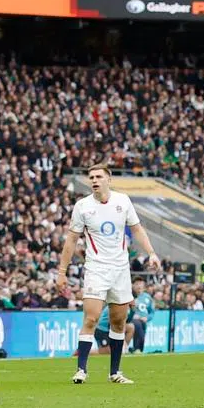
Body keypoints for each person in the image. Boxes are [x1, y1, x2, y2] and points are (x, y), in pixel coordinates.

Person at [57, 163, 161, 385]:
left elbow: (136, 229)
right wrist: (62, 272)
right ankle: (81, 370)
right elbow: (72, 240)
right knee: (92, 317)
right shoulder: (83, 206)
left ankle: (115, 373)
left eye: (98, 176)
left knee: (118, 321)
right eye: (91, 177)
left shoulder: (123, 201)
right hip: (96, 268)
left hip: (121, 270)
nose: (94, 180)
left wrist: (151, 253)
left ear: (108, 179)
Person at [130, 278, 155, 353]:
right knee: (137, 324)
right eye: (136, 284)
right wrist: (132, 315)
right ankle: (136, 348)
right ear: (133, 285)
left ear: (143, 286)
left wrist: (147, 318)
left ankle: (139, 350)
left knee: (141, 326)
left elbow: (152, 312)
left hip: (143, 322)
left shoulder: (147, 297)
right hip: (131, 320)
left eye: (140, 284)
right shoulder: (130, 296)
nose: (138, 286)